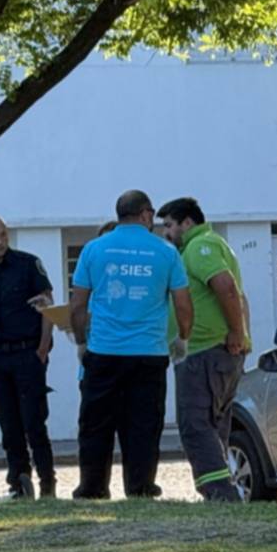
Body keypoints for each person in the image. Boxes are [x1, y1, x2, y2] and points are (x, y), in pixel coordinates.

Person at [68, 190, 194, 500]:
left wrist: (82, 342)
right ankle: (140, 487)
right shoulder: (165, 253)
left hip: (104, 352)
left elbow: (76, 306)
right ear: (145, 214)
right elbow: (183, 305)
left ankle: (92, 487)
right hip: (149, 354)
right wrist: (182, 338)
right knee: (144, 425)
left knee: (96, 425)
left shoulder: (93, 250)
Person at [159, 196, 252, 503]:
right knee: (213, 425)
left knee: (194, 424)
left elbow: (226, 288)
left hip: (205, 351)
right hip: (214, 352)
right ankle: (223, 490)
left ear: (188, 223)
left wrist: (236, 333)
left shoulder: (200, 249)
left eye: (170, 225)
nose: (166, 233)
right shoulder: (209, 245)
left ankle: (219, 493)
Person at [0, 215, 57, 499]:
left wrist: (42, 350)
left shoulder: (27, 264)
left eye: (3, 235)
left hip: (27, 352)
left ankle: (48, 482)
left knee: (34, 421)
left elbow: (48, 305)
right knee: (8, 422)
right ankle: (19, 483)